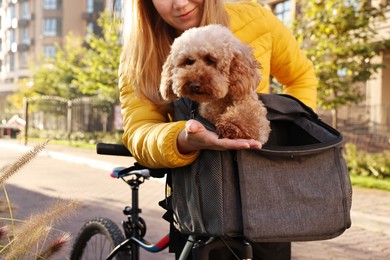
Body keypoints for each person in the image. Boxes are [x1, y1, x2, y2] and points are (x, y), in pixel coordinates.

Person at [118, 0, 318, 259]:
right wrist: (182, 139)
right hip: (198, 202)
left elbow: (301, 77)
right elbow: (139, 130)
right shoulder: (139, 55)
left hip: (266, 197)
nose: (180, 3)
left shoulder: (256, 18)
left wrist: (286, 131)